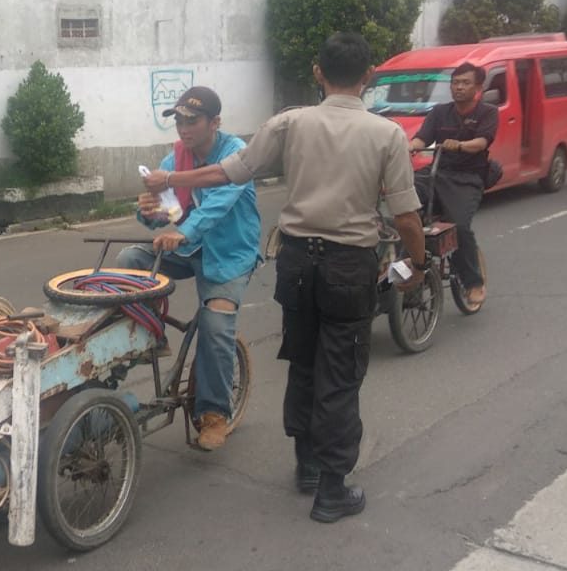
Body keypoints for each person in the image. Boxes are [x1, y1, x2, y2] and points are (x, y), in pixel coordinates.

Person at [144, 33, 428, 523]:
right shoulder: (387, 135)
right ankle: (333, 489)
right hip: (347, 265)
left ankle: (309, 465)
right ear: (368, 76)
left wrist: (170, 181)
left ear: (318, 73)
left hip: (297, 262)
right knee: (340, 372)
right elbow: (405, 217)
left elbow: (228, 174)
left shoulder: (290, 122)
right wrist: (418, 265)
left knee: (303, 359)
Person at [118, 86, 261, 452]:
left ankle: (214, 414)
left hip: (229, 254)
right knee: (128, 264)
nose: (184, 127)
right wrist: (148, 213)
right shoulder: (175, 159)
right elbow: (167, 213)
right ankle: (153, 335)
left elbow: (216, 207)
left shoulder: (236, 156)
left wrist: (181, 233)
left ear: (215, 122)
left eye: (192, 120)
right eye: (179, 120)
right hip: (190, 246)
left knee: (215, 324)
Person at [407, 62, 498, 309]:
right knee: (402, 202)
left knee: (458, 226)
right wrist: (411, 146)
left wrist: (459, 145)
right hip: (436, 173)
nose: (459, 87)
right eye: (455, 82)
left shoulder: (487, 113)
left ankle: (473, 282)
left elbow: (481, 142)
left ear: (478, 87)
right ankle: (408, 263)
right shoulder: (439, 112)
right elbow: (421, 137)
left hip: (467, 178)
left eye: (465, 82)